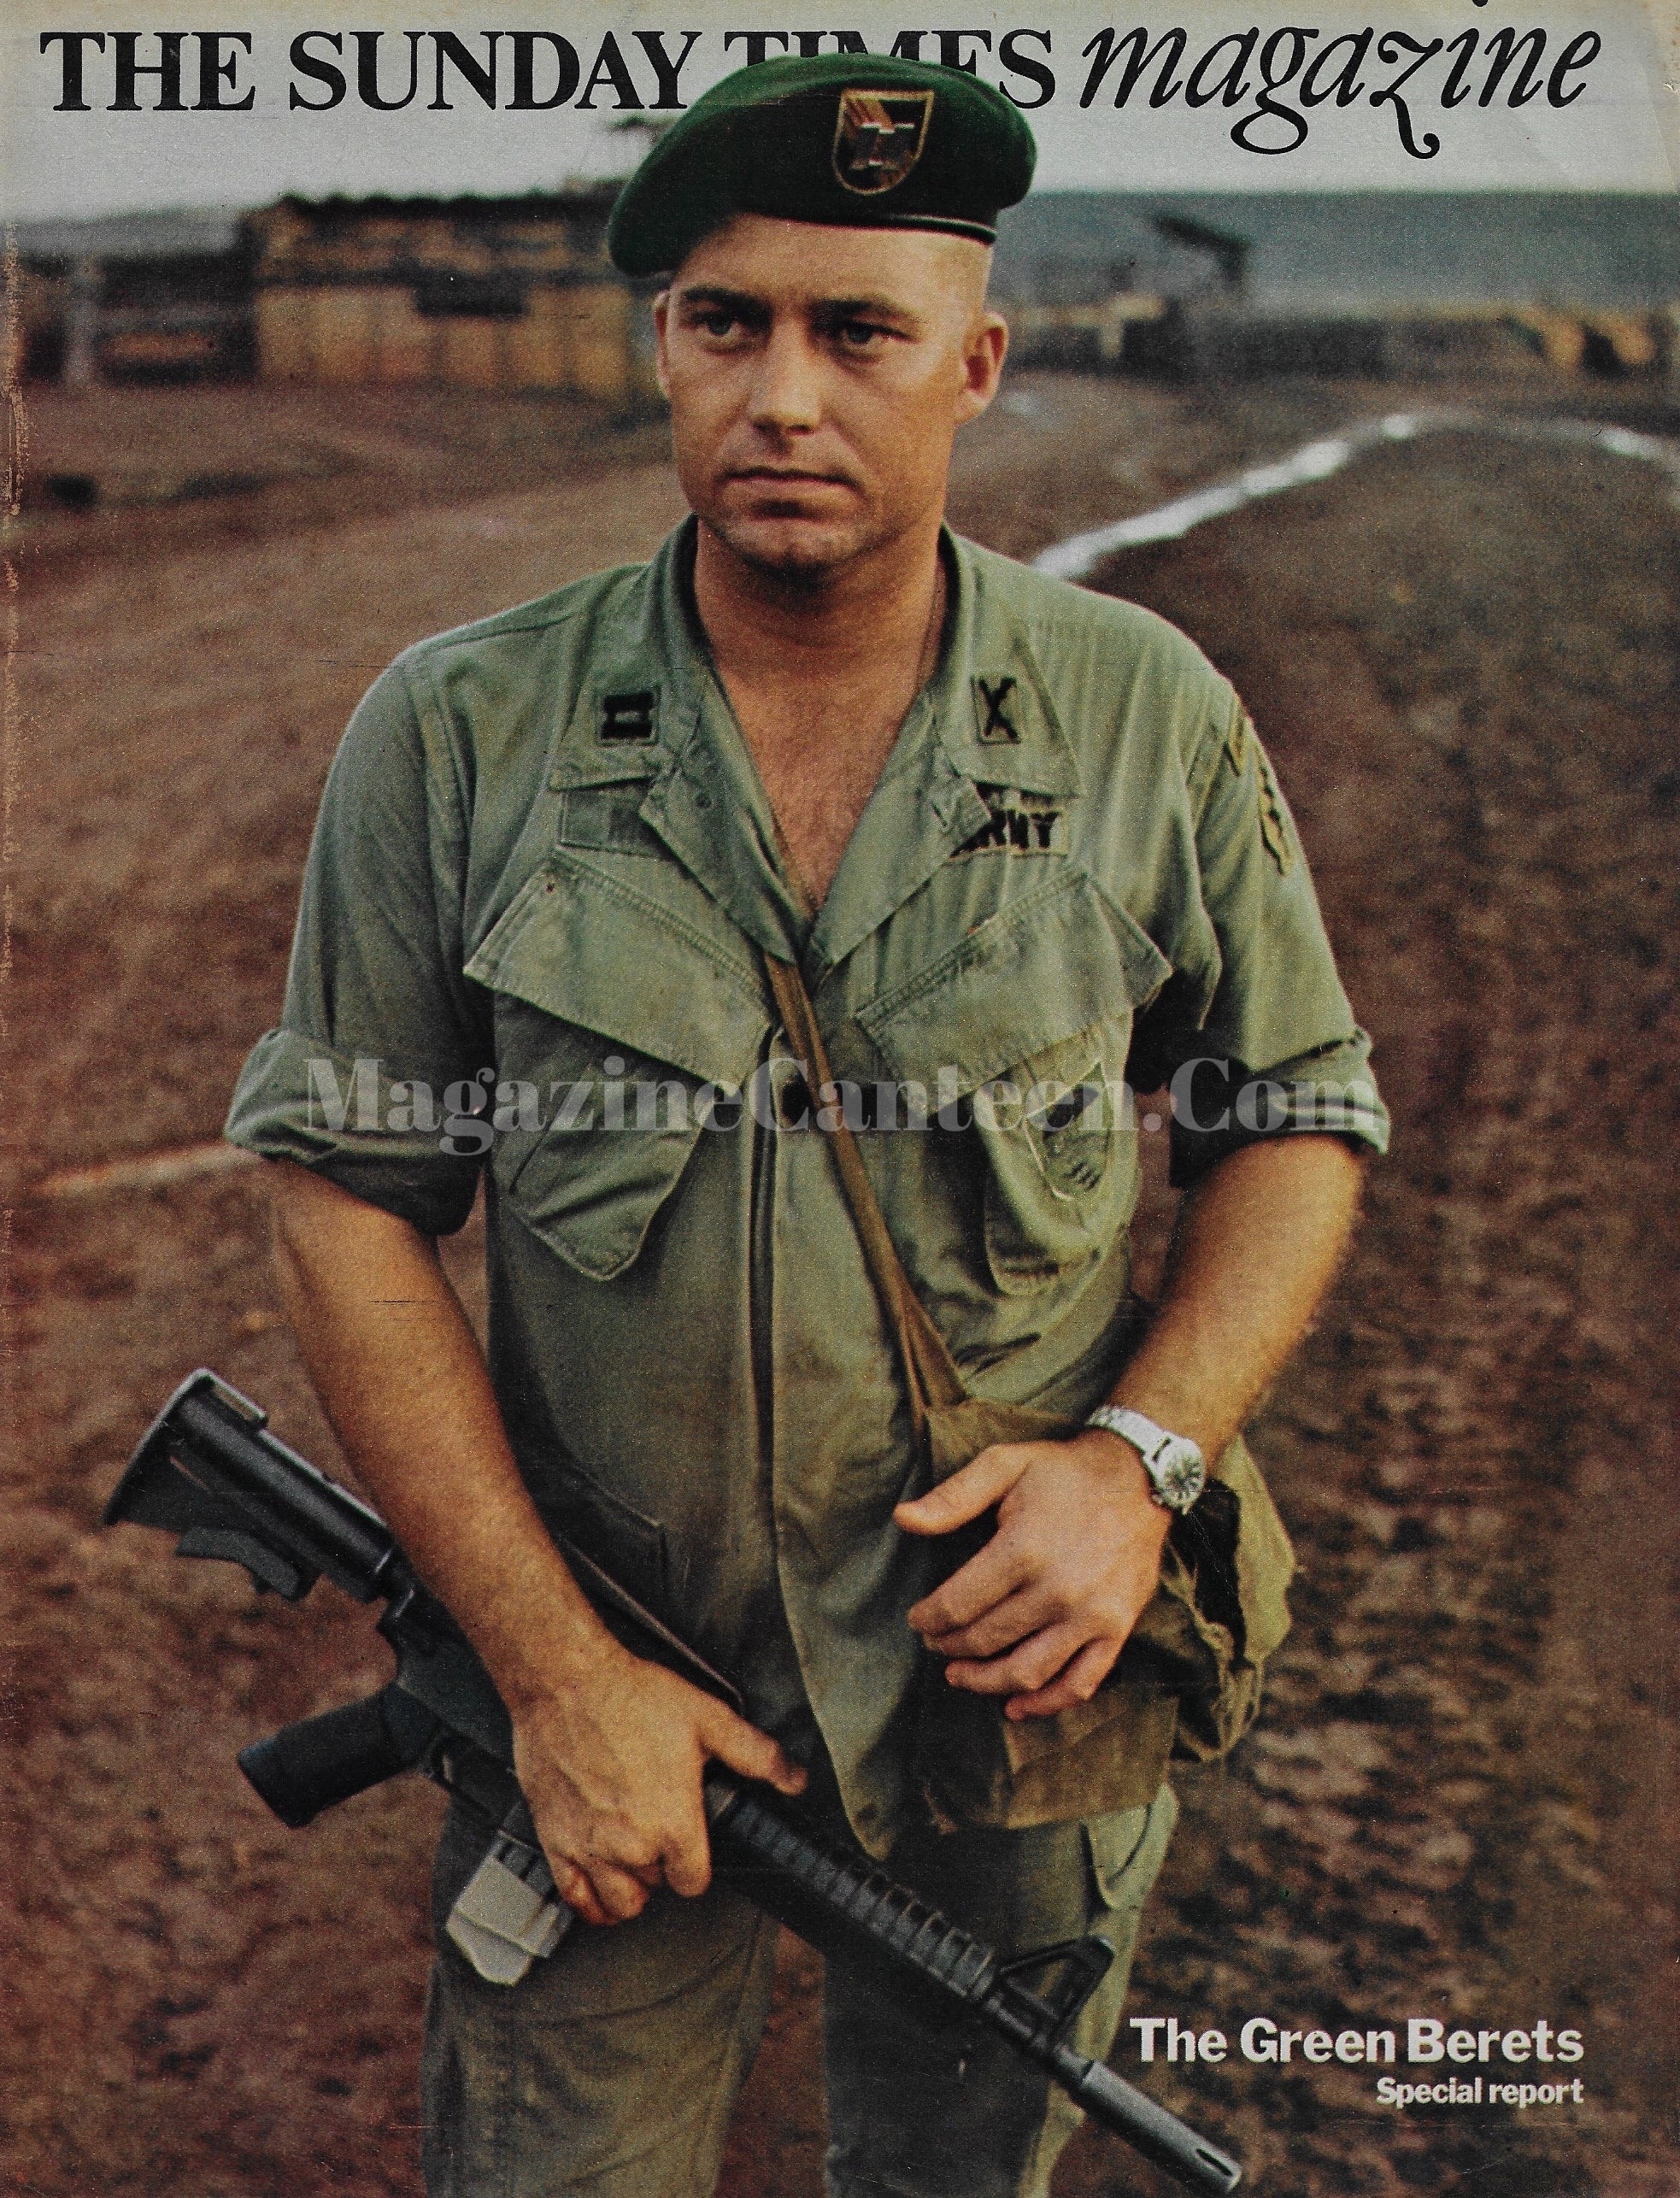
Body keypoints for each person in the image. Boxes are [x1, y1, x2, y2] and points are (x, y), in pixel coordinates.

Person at [226, 52, 1388, 2198]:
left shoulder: (1146, 716)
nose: (780, 396)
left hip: (1018, 1695)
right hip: (612, 1687)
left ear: (975, 362)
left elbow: (1290, 1115)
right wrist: (553, 1675)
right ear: (657, 344)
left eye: (855, 334)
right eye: (722, 322)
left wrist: (1138, 1473)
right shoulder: (461, 730)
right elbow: (344, 1202)